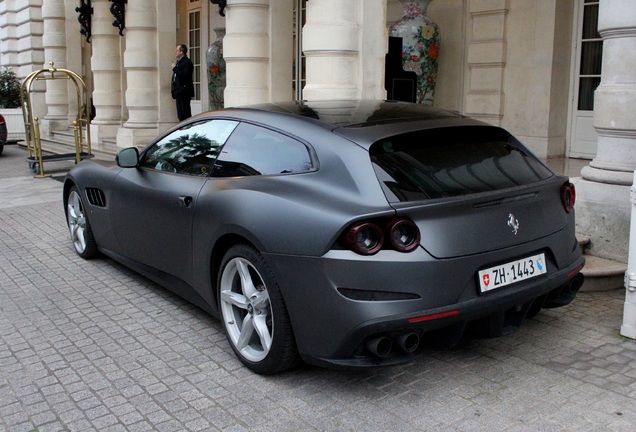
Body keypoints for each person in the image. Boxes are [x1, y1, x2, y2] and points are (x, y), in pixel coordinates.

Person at [171, 44, 194, 121]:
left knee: (185, 113)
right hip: (178, 91)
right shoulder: (179, 62)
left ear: (181, 52)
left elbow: (184, 75)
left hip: (184, 91)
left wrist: (175, 68)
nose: (175, 51)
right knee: (180, 114)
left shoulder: (187, 62)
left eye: (177, 50)